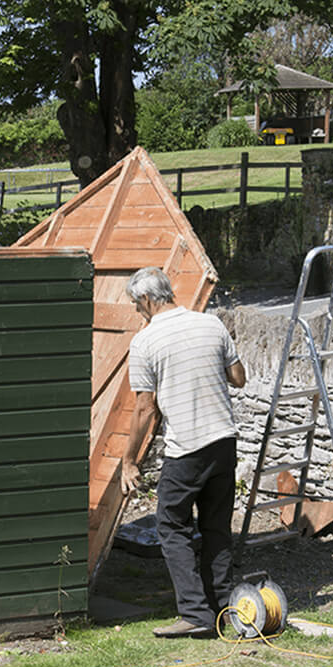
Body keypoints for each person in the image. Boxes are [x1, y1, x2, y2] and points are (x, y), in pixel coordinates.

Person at [118, 267, 247, 637]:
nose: (136, 311)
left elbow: (145, 407)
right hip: (224, 441)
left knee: (171, 526)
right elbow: (239, 379)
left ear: (146, 299)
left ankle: (195, 615)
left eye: (134, 304)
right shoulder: (211, 324)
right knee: (216, 528)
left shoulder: (145, 342)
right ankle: (225, 609)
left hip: (187, 449)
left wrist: (129, 461)